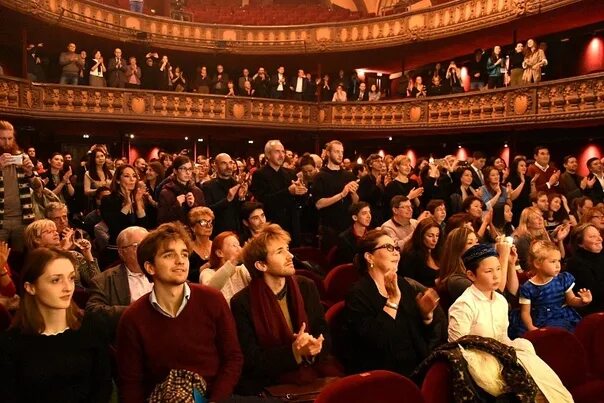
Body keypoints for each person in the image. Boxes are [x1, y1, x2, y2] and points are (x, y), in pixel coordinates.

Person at [116, 222, 243, 402]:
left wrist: (216, 400)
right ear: (150, 267)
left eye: (184, 254)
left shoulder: (212, 299)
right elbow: (131, 384)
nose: (180, 260)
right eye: (169, 255)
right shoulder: (133, 318)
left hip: (215, 397)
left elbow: (233, 358)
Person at [448, 244, 573, 403]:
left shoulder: (500, 300)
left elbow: (502, 335)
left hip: (501, 355)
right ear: (471, 275)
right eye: (489, 271)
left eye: (499, 269)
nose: (496, 276)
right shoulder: (464, 305)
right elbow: (456, 347)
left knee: (536, 369)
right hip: (479, 365)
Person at [231, 224, 338, 395]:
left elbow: (323, 332)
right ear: (261, 265)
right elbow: (252, 359)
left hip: (312, 370)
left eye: (287, 249)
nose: (290, 256)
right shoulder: (242, 302)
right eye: (279, 252)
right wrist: (294, 352)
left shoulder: (306, 286)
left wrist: (314, 348)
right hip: (270, 382)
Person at [0, 248, 112, 403]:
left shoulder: (92, 328)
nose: (68, 287)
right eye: (56, 280)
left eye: (71, 278)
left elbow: (103, 387)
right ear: (30, 287)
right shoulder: (10, 344)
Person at [344, 229, 444, 375]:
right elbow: (375, 343)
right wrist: (392, 301)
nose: (396, 252)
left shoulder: (403, 284)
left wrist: (425, 316)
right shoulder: (358, 294)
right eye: (389, 248)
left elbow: (421, 336)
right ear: (369, 257)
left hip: (416, 364)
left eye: (396, 248)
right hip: (382, 371)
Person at [511, 240, 591, 338]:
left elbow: (571, 300)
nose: (558, 265)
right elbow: (525, 313)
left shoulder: (563, 279)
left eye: (559, 261)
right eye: (553, 261)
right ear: (537, 264)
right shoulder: (528, 288)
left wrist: (583, 301)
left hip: (562, 316)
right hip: (540, 319)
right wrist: (531, 327)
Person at [86, 226, 150, 338]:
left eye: (148, 244)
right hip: (128, 338)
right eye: (137, 246)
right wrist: (135, 311)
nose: (146, 250)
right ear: (122, 252)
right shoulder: (104, 280)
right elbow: (93, 312)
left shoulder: (163, 272)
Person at [249, 140, 306, 247]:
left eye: (283, 152)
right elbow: (263, 201)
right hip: (274, 225)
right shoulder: (259, 174)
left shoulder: (290, 173)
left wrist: (301, 191)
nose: (281, 155)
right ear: (268, 155)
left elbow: (299, 202)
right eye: (277, 152)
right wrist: (288, 191)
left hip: (292, 225)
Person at [24, 219, 100, 289]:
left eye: (55, 230)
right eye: (49, 232)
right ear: (37, 239)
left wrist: (87, 254)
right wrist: (64, 250)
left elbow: (98, 284)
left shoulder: (74, 255)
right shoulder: (34, 261)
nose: (56, 233)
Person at [313, 140, 358, 251]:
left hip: (347, 226)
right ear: (328, 153)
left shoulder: (349, 175)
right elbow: (319, 204)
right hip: (329, 228)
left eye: (341, 152)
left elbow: (356, 203)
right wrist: (342, 194)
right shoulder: (320, 176)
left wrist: (353, 192)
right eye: (336, 151)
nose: (340, 155)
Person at [0, 121, 36, 255]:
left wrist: (30, 173)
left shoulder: (22, 156)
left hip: (22, 218)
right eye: (2, 139)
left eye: (10, 138)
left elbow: (39, 188)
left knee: (20, 258)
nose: (7, 142)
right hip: (1, 220)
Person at [100, 164, 148, 265]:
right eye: (127, 176)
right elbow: (115, 226)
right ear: (118, 180)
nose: (132, 179)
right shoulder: (108, 200)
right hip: (116, 251)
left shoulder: (138, 198)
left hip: (137, 249)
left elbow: (143, 227)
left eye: (134, 176)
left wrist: (138, 203)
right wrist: (127, 205)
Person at [202, 153, 247, 236]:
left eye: (230, 163)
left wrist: (242, 198)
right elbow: (207, 212)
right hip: (218, 233)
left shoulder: (236, 184)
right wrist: (227, 200)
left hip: (237, 232)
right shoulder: (208, 186)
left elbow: (242, 212)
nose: (229, 166)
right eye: (224, 163)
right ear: (215, 166)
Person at [201, 231, 250, 305]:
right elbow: (210, 292)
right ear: (219, 253)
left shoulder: (242, 269)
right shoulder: (207, 273)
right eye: (234, 245)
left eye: (239, 245)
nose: (239, 248)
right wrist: (234, 260)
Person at [566, 223, 604, 315]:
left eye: (599, 235)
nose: (600, 239)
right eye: (592, 237)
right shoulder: (575, 263)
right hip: (594, 310)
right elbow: (595, 293)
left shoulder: (601, 255)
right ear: (580, 243)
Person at [158, 156, 205, 224]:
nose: (188, 172)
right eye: (183, 169)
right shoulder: (166, 192)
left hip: (193, 232)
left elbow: (204, 216)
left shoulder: (197, 191)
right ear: (175, 171)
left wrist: (193, 205)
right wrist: (177, 205)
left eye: (190, 169)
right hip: (174, 232)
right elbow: (161, 221)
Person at [399, 218, 443, 288]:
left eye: (437, 235)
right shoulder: (410, 255)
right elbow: (409, 284)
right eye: (430, 236)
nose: (435, 240)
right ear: (420, 236)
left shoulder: (438, 251)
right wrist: (436, 282)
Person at [186, 206, 213, 283]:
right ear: (193, 227)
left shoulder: (218, 245)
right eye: (203, 222)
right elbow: (187, 275)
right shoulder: (187, 250)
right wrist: (208, 265)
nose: (208, 226)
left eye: (210, 222)